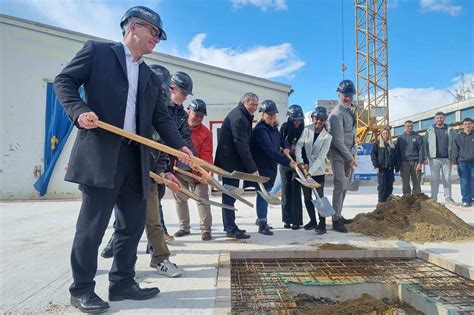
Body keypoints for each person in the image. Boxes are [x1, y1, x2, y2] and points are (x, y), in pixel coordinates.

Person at [54, 6, 192, 313]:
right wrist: (78, 112)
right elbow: (63, 81)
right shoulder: (98, 53)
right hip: (102, 154)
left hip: (136, 158)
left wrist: (181, 147)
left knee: (131, 226)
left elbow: (161, 117)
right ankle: (81, 290)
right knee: (92, 226)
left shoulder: (149, 76)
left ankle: (122, 283)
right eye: (155, 33)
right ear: (134, 27)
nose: (157, 40)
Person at [100, 64, 184, 278]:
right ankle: (120, 268)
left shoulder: (163, 113)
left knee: (154, 221)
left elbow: (164, 147)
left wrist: (163, 171)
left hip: (150, 177)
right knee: (125, 224)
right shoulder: (129, 109)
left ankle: (161, 261)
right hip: (125, 174)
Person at [215, 92, 260, 239]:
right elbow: (241, 145)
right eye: (252, 104)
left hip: (231, 162)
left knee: (230, 195)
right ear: (244, 102)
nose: (255, 107)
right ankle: (230, 228)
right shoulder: (239, 118)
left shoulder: (242, 115)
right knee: (230, 195)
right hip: (229, 164)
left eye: (256, 105)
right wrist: (253, 169)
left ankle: (229, 226)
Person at [250, 100, 295, 235]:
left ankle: (261, 219)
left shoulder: (273, 128)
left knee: (266, 192)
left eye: (273, 115)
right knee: (263, 194)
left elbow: (282, 140)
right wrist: (288, 163)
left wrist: (286, 147)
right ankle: (262, 224)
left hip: (271, 167)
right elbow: (270, 150)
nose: (271, 117)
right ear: (262, 114)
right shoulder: (260, 130)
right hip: (261, 167)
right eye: (268, 115)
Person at [173, 99, 214, 241]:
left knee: (203, 200)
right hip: (178, 170)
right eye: (196, 114)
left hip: (197, 173)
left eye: (202, 116)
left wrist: (203, 172)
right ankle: (184, 227)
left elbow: (207, 153)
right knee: (180, 199)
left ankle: (206, 230)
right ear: (189, 111)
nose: (198, 118)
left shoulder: (205, 132)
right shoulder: (177, 126)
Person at [295, 106, 332, 234]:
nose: (318, 122)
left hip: (318, 171)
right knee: (307, 197)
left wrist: (311, 171)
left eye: (321, 120)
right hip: (304, 168)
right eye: (316, 119)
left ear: (324, 121)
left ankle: (322, 224)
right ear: (312, 118)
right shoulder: (307, 129)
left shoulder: (327, 137)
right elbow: (299, 145)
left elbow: (322, 157)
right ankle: (313, 221)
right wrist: (299, 161)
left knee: (319, 197)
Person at [327, 80, 357, 233]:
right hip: (339, 155)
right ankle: (335, 220)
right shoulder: (337, 114)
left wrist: (353, 151)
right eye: (345, 95)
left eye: (350, 95)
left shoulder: (350, 110)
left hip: (348, 153)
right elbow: (338, 141)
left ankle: (338, 214)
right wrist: (350, 158)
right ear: (339, 94)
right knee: (340, 185)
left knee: (345, 186)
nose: (348, 98)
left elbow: (351, 133)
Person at [279, 104, 305, 230]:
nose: (297, 122)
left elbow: (306, 146)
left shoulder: (304, 130)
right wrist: (285, 149)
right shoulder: (284, 128)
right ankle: (286, 219)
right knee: (286, 189)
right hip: (285, 162)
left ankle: (296, 220)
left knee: (295, 188)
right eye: (295, 120)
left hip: (297, 163)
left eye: (299, 120)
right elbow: (278, 142)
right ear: (289, 118)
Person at [423, 112, 457, 204]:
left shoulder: (450, 130)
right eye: (437, 118)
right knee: (434, 179)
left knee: (447, 178)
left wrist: (454, 160)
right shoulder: (429, 130)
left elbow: (454, 145)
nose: (439, 119)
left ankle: (448, 197)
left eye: (441, 118)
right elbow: (425, 144)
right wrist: (426, 157)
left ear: (444, 119)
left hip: (447, 158)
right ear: (435, 119)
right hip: (434, 159)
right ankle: (434, 198)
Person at [395, 120, 425, 195]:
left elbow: (421, 150)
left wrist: (420, 163)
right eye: (408, 126)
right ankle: (406, 197)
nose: (409, 127)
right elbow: (397, 152)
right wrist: (398, 164)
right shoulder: (400, 138)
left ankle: (417, 197)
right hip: (404, 162)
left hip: (416, 162)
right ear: (404, 127)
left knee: (417, 181)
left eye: (411, 126)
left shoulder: (418, 137)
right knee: (405, 181)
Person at [371, 127, 398, 204]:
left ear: (389, 134)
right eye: (384, 133)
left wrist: (397, 166)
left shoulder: (392, 144)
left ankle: (388, 200)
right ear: (381, 134)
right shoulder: (377, 143)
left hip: (390, 168)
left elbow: (396, 156)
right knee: (382, 185)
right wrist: (376, 166)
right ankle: (381, 201)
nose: (385, 135)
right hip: (381, 168)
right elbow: (373, 155)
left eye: (387, 133)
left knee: (390, 184)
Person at [452, 118, 474, 207]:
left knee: (473, 181)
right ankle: (465, 200)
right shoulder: (458, 136)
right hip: (462, 163)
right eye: (465, 124)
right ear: (462, 126)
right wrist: (454, 162)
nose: (467, 125)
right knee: (464, 181)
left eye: (469, 124)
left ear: (472, 125)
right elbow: (455, 150)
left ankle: (472, 198)